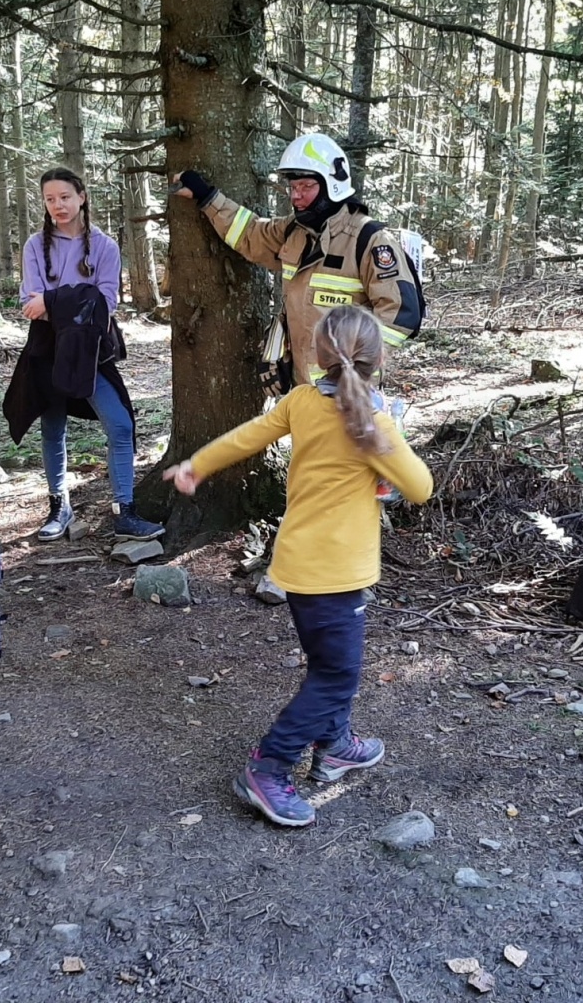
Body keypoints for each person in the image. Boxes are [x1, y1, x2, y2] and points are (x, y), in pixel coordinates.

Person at [163, 306, 433, 827]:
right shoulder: (374, 425)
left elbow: (250, 435)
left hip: (299, 564)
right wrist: (390, 442)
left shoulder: (303, 401)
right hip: (337, 574)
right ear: (378, 360)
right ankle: (269, 767)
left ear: (319, 356)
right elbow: (420, 488)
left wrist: (197, 465)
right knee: (335, 676)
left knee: (329, 666)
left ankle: (333, 744)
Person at [172, 133, 423, 389]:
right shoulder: (294, 231)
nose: (296, 196)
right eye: (293, 187)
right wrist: (207, 198)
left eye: (306, 187)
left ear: (331, 184)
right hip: (300, 389)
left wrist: (353, 370)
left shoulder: (369, 240)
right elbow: (249, 233)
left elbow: (402, 315)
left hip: (350, 396)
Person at [1, 167, 164, 541]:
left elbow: (104, 304)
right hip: (46, 348)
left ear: (82, 197)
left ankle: (125, 510)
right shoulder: (34, 246)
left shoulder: (104, 246)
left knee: (120, 425)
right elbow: (32, 305)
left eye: (64, 197)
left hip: (92, 351)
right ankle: (59, 506)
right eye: (49, 199)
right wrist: (75, 302)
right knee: (52, 426)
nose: (57, 205)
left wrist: (55, 300)